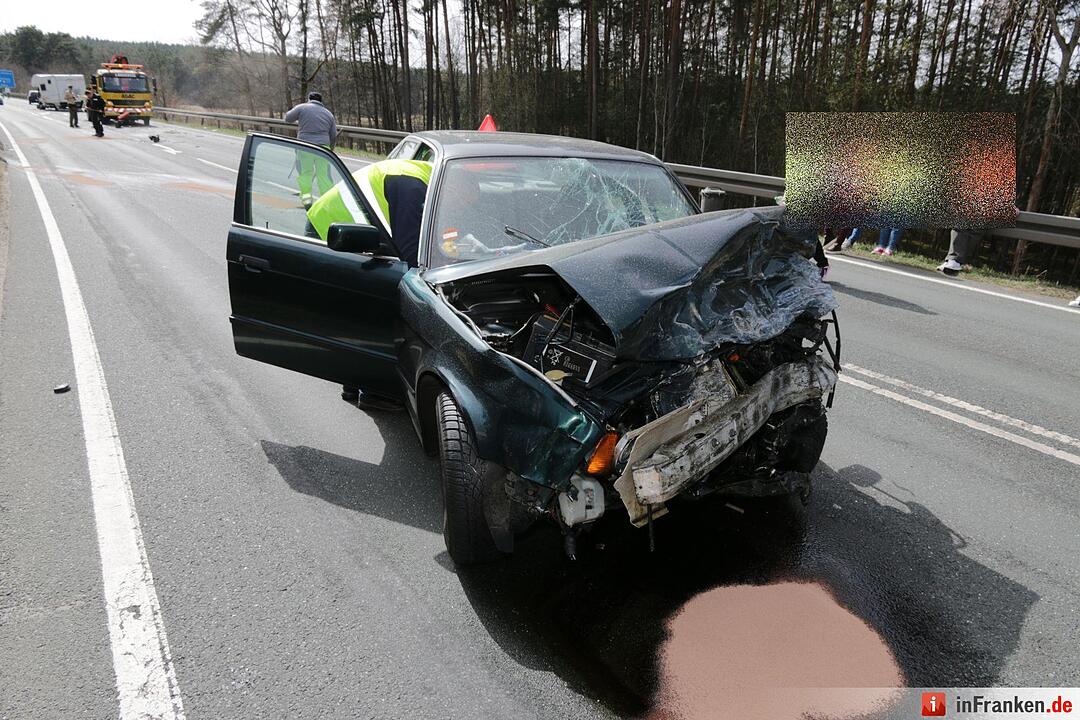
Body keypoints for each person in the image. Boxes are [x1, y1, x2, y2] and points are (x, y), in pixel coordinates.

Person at [305, 158, 432, 410]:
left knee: (356, 309)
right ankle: (376, 391)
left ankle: (354, 382)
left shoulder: (422, 177)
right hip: (333, 232)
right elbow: (410, 253)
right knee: (381, 299)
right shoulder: (412, 186)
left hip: (340, 230)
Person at [284, 92, 338, 207]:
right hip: (323, 148)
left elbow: (287, 118)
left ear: (309, 99)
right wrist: (330, 149)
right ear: (321, 101)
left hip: (305, 146)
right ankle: (327, 202)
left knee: (306, 173)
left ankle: (307, 200)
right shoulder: (329, 114)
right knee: (323, 175)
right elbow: (333, 135)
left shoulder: (302, 108)